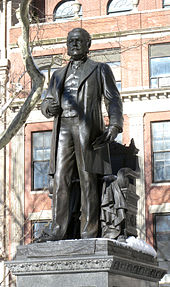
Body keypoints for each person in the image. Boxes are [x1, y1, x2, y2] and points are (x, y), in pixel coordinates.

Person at [40, 27, 123, 241]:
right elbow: (47, 101)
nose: (74, 44)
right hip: (63, 128)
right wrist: (48, 108)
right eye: (70, 41)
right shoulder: (58, 74)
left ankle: (89, 231)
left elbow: (112, 98)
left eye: (78, 41)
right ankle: (58, 230)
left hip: (88, 129)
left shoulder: (99, 69)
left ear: (88, 44)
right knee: (60, 178)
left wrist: (114, 125)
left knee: (88, 179)